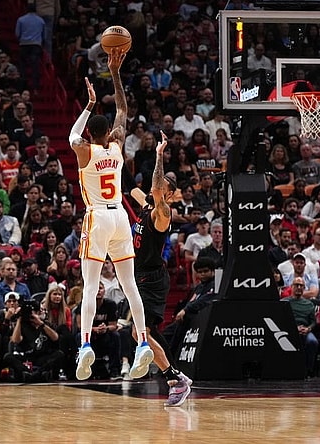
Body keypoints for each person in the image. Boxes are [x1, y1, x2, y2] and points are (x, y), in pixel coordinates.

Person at [68, 52, 153, 381]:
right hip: (120, 217)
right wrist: (115, 73)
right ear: (109, 134)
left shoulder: (85, 151)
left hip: (98, 217)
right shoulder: (116, 147)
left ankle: (85, 345)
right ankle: (142, 343)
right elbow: (123, 110)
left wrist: (89, 104)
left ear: (91, 134)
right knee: (130, 285)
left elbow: (72, 136)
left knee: (90, 286)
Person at [131, 131, 192, 406]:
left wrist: (158, 155)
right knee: (147, 332)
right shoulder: (147, 205)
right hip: (141, 276)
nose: (155, 187)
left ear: (167, 194)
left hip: (152, 279)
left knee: (139, 332)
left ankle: (175, 379)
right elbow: (133, 189)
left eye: (161, 186)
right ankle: (176, 375)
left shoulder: (162, 213)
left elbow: (154, 189)